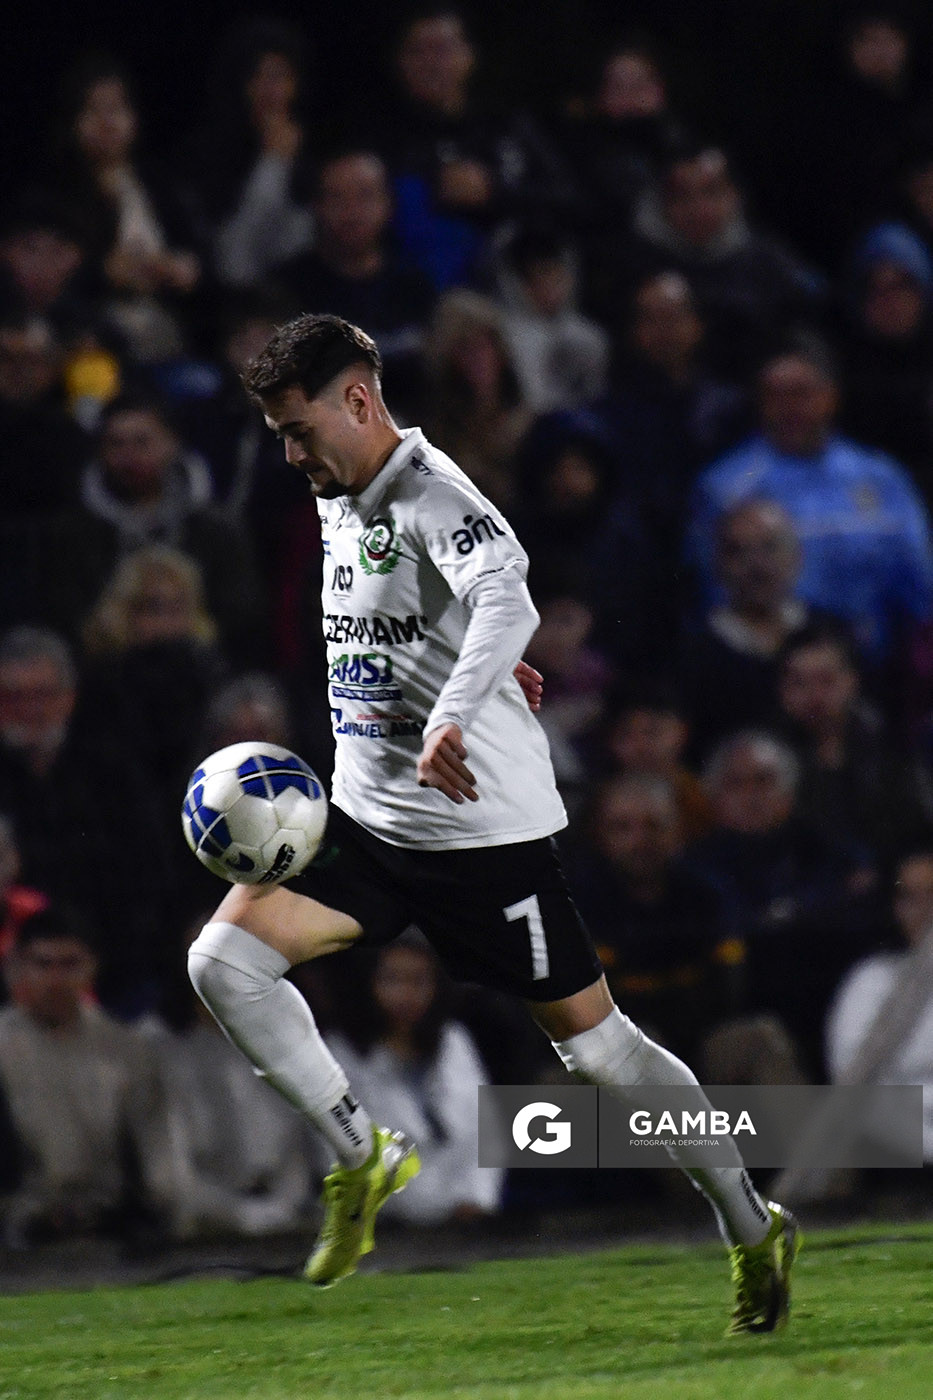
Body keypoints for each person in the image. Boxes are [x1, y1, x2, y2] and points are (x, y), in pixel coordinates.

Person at [186, 312, 799, 1335]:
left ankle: (750, 1219)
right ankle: (361, 1153)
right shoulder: (341, 492)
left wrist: (458, 710)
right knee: (222, 962)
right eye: (275, 434)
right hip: (369, 826)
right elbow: (425, 618)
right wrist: (458, 658)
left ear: (359, 401)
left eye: (298, 429)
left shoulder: (434, 493)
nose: (288, 453)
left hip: (482, 839)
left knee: (600, 1055)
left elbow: (505, 599)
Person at [689, 341, 933, 664]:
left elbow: (921, 586)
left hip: (879, 669)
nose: (789, 407)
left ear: (831, 397)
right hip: (770, 671)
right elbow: (714, 597)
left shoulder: (882, 478)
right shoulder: (725, 488)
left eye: (802, 393)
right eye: (775, 395)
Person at [0, 906, 178, 1245]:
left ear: (91, 968)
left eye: (69, 965)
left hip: (113, 1227)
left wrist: (161, 1211)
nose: (55, 980)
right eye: (43, 964)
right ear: (18, 967)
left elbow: (158, 1154)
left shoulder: (126, 1048)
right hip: (18, 1231)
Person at [324, 935, 503, 1225]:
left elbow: (486, 1131)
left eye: (419, 980)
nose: (407, 994)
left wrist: (475, 1199)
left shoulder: (453, 1042)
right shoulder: (341, 1053)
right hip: (381, 1224)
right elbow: (338, 1151)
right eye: (393, 979)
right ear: (366, 982)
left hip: (464, 1220)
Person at [273, 150, 436, 419]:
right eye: (337, 198)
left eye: (365, 195)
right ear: (316, 205)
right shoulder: (288, 291)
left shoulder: (417, 286)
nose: (352, 211)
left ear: (389, 203)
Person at [677, 500, 829, 761]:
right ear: (717, 563)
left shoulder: (831, 635)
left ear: (797, 555)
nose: (757, 565)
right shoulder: (691, 653)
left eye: (770, 547)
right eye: (738, 551)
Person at [776, 621, 933, 870]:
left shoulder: (893, 749)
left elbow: (916, 830)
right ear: (782, 691)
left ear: (852, 681)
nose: (815, 696)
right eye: (799, 683)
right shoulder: (766, 761)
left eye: (826, 681)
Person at [188, 18, 315, 288]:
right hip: (241, 303)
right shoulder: (210, 156)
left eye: (281, 77)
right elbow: (234, 265)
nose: (271, 91)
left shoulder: (315, 150)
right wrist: (273, 164)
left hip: (306, 298)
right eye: (259, 77)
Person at [825, 849, 933, 1162]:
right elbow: (851, 1080)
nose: (926, 910)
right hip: (905, 1137)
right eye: (911, 898)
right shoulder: (871, 980)